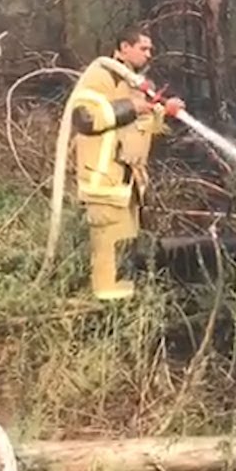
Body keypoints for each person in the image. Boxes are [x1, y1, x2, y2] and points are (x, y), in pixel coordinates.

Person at [68, 29, 185, 300]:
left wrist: (163, 112)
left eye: (150, 49)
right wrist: (134, 107)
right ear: (123, 47)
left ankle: (122, 300)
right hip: (103, 178)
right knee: (109, 244)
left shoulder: (133, 83)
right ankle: (107, 306)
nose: (148, 54)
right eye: (143, 48)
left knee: (125, 243)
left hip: (127, 182)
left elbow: (143, 126)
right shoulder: (102, 75)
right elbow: (85, 117)